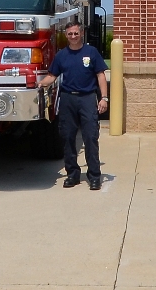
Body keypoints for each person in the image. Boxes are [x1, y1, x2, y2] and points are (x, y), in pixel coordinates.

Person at [42, 20, 109, 190]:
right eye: (70, 34)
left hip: (87, 99)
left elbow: (101, 75)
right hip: (67, 99)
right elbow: (52, 76)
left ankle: (94, 176)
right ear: (66, 35)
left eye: (76, 33)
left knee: (90, 137)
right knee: (67, 137)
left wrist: (104, 98)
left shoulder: (91, 52)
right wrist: (39, 84)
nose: (73, 36)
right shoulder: (61, 55)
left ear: (81, 33)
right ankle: (72, 174)